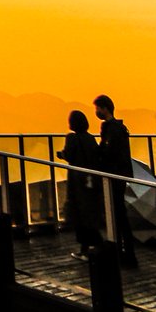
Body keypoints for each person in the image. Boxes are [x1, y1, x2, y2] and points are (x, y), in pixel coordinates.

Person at [93, 94, 138, 268]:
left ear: (105, 108)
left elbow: (107, 152)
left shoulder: (111, 129)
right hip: (120, 175)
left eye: (98, 108)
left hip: (112, 176)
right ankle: (126, 252)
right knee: (119, 214)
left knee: (117, 214)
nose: (97, 112)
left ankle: (122, 253)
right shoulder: (120, 127)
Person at [57, 110, 102, 259]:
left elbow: (69, 155)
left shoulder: (71, 138)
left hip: (76, 181)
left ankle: (85, 247)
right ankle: (94, 245)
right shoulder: (90, 138)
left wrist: (61, 154)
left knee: (78, 213)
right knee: (89, 213)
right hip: (90, 180)